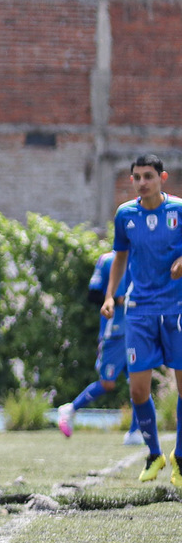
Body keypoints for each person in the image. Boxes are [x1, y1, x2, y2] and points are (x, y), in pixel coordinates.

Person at [101, 154, 182, 487]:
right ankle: (154, 454)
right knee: (137, 391)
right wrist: (110, 295)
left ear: (162, 178)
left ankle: (180, 458)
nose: (142, 182)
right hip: (139, 310)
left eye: (148, 176)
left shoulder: (178, 210)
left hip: (176, 308)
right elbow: (119, 257)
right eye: (137, 177)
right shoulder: (126, 215)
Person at [57, 251, 142, 444]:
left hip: (136, 331)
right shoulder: (107, 260)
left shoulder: (140, 256)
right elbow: (93, 294)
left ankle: (135, 431)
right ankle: (71, 409)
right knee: (107, 383)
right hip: (114, 333)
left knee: (139, 383)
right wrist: (116, 299)